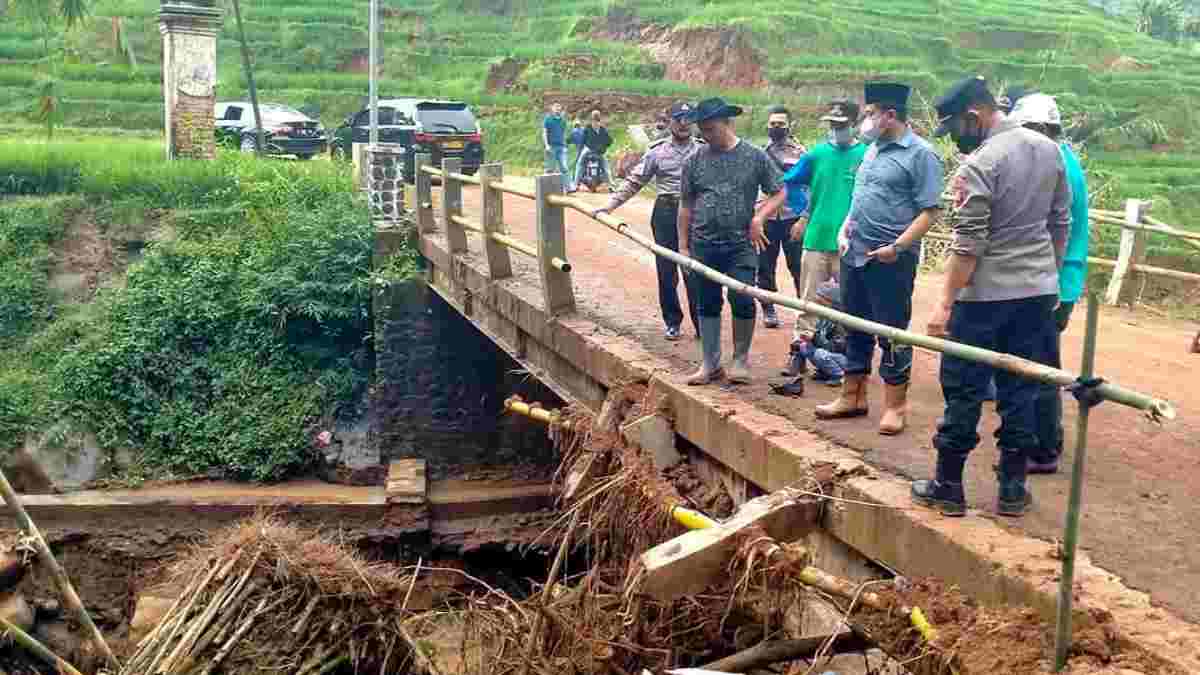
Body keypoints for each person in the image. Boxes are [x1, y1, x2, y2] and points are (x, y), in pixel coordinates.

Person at [914, 76, 1071, 518]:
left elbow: (968, 245)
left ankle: (948, 487)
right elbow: (1061, 224)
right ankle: (1012, 490)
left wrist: (945, 302)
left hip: (983, 299)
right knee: (1020, 388)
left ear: (974, 116)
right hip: (1038, 294)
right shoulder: (1049, 150)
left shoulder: (979, 164)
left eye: (958, 130)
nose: (957, 142)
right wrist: (1046, 275)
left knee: (963, 389)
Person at [815, 82, 943, 436]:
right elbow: (859, 199)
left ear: (890, 115)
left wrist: (898, 246)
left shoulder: (921, 154)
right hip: (854, 252)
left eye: (871, 114)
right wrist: (844, 229)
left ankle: (895, 406)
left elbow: (930, 211)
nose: (865, 120)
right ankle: (852, 395)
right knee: (854, 325)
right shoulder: (871, 151)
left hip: (891, 260)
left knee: (891, 332)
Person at [678, 97, 788, 385]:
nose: (706, 135)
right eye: (702, 130)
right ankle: (710, 363)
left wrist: (759, 218)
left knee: (741, 296)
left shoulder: (754, 156)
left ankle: (740, 359)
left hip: (741, 244)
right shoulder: (694, 160)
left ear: (728, 123)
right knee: (707, 301)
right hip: (703, 243)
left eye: (711, 128)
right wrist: (683, 246)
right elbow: (686, 204)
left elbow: (779, 192)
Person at [1009, 92, 1090, 475]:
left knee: (1040, 365)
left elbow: (1051, 227)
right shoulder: (1060, 160)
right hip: (1053, 278)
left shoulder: (1056, 164)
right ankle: (1037, 439)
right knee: (1036, 361)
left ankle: (1043, 448)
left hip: (1052, 281)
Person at [594, 102, 702, 341]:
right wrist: (610, 206)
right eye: (679, 118)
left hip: (696, 215)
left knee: (694, 270)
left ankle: (701, 324)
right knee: (666, 271)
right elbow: (634, 182)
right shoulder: (657, 151)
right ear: (670, 121)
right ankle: (672, 322)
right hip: (665, 212)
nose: (684, 124)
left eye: (688, 119)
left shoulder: (704, 151)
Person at [779, 98, 867, 377]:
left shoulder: (867, 155)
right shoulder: (817, 155)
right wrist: (804, 212)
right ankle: (799, 352)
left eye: (842, 125)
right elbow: (791, 180)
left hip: (851, 243)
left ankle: (836, 358)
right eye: (832, 124)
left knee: (846, 304)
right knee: (808, 301)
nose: (837, 129)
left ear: (855, 124)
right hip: (817, 237)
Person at [755, 105, 808, 329]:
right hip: (767, 217)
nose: (776, 127)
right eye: (773, 123)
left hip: (792, 217)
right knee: (764, 266)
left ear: (789, 125)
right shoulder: (759, 152)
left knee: (798, 266)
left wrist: (804, 217)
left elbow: (809, 186)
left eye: (781, 123)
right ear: (767, 125)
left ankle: (805, 311)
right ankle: (768, 308)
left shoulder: (801, 153)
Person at [790, 279, 849, 386]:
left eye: (822, 302)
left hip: (846, 361)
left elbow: (835, 347)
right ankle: (822, 371)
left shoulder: (842, 322)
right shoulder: (825, 318)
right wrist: (808, 338)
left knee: (819, 354)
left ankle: (839, 375)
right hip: (833, 354)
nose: (818, 305)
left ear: (832, 303)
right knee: (802, 345)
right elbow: (821, 338)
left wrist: (814, 337)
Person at [577, 110, 614, 190]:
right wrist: (580, 151)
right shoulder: (590, 129)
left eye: (597, 121)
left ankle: (611, 186)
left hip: (597, 151)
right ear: (592, 120)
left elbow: (610, 141)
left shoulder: (601, 130)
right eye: (594, 121)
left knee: (605, 167)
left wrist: (603, 148)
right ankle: (576, 184)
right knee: (580, 165)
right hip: (589, 150)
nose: (595, 123)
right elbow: (582, 141)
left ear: (599, 121)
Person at [542, 103, 572, 192]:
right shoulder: (548, 119)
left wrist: (565, 145)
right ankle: (543, 188)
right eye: (556, 108)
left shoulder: (563, 121)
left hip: (561, 147)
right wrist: (546, 145)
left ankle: (568, 188)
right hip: (551, 147)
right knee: (550, 169)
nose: (558, 110)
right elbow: (544, 132)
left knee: (564, 167)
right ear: (552, 109)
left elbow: (563, 133)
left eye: (559, 109)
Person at [568, 117, 586, 186]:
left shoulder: (574, 132)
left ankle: (574, 181)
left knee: (576, 165)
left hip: (580, 150)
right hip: (588, 149)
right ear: (580, 125)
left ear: (574, 125)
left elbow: (569, 140)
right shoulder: (584, 130)